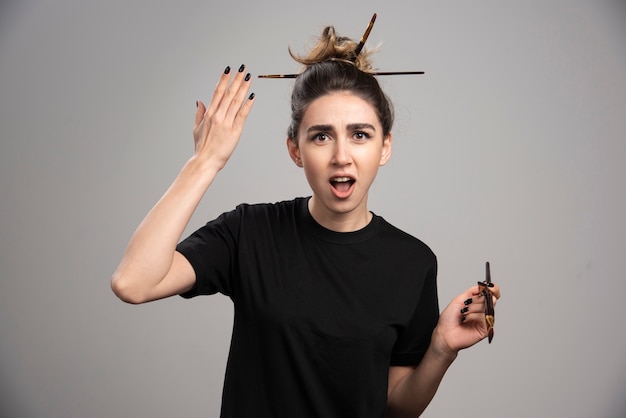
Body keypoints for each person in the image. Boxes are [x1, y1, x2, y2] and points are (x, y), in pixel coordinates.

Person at [111, 22, 500, 418]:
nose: (341, 156)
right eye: (321, 136)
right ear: (295, 150)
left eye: (360, 135)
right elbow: (133, 282)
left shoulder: (413, 262)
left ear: (385, 147)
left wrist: (440, 349)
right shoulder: (249, 233)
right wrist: (204, 162)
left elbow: (395, 407)